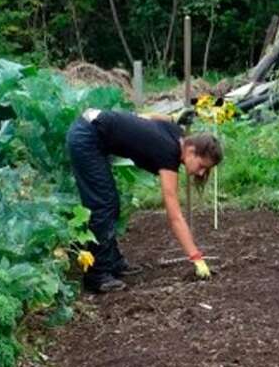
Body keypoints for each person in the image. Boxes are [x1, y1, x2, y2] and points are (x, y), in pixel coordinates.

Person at [65, 107, 222, 294]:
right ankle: (97, 276)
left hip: (92, 127)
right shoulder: (167, 153)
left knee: (109, 203)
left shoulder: (177, 134)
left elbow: (145, 117)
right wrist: (196, 257)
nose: (201, 172)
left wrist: (171, 116)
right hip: (86, 137)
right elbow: (175, 216)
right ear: (191, 149)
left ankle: (112, 262)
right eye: (202, 166)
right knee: (102, 204)